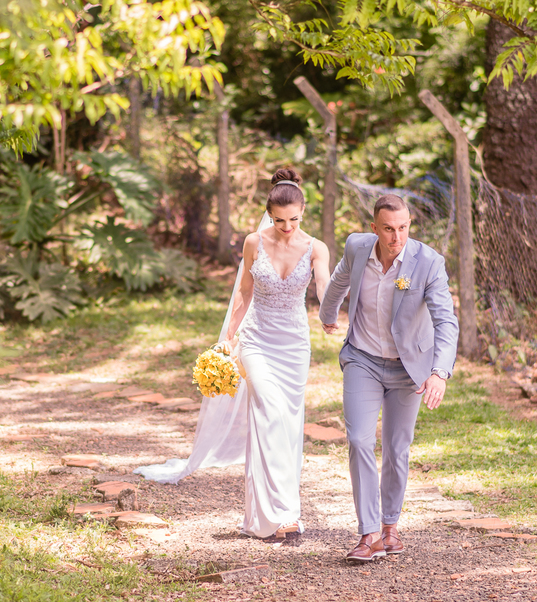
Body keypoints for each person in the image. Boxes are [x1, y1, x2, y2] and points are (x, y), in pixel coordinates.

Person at [134, 169, 331, 542]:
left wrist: (330, 313)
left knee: (285, 424)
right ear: (268, 215)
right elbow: (243, 291)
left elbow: (323, 286)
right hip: (256, 341)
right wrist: (228, 337)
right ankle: (282, 513)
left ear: (303, 212)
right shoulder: (254, 242)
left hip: (293, 345)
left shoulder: (315, 248)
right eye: (279, 220)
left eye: (294, 220)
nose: (287, 227)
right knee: (268, 411)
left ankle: (268, 518)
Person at [318, 194, 458, 562]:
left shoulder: (428, 262)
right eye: (388, 229)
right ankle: (368, 535)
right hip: (362, 359)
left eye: (403, 228)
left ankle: (390, 528)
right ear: (373, 229)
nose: (396, 237)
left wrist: (439, 372)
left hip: (407, 368)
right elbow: (338, 281)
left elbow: (445, 320)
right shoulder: (357, 247)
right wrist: (328, 314)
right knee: (359, 440)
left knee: (396, 449)